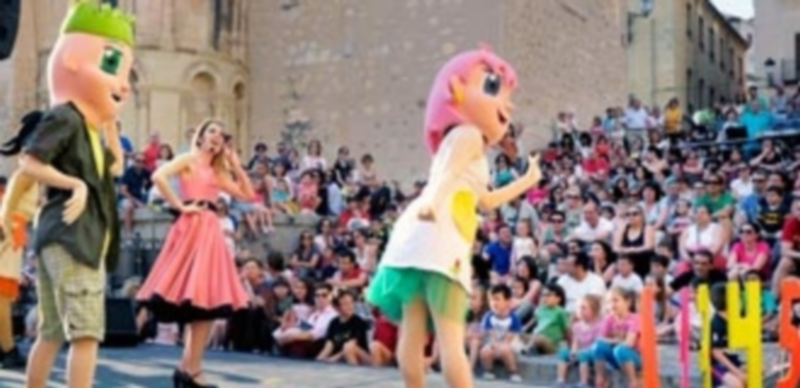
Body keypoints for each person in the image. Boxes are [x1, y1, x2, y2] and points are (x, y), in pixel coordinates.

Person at [366, 47, 541, 388]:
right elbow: (445, 177)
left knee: (414, 331)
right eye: (493, 87)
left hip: (424, 233)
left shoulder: (465, 142)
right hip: (440, 234)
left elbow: (486, 201)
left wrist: (527, 180)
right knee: (449, 339)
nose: (507, 104)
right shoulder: (469, 135)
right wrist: (432, 202)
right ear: (457, 91)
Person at [6, 2, 133, 387]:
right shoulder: (65, 117)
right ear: (74, 60)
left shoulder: (88, 128)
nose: (124, 84)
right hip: (72, 238)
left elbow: (115, 168)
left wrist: (110, 124)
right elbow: (29, 162)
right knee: (86, 333)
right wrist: (73, 184)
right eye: (113, 66)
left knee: (52, 331)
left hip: (68, 238)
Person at [136, 119, 256, 388]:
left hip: (209, 230)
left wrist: (235, 164)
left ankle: (188, 368)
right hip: (191, 226)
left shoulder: (217, 172)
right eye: (211, 131)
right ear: (200, 136)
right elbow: (158, 176)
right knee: (194, 299)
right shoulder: (188, 159)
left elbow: (248, 195)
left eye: (221, 135)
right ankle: (191, 369)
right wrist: (180, 205)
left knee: (204, 301)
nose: (216, 137)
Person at [0, 112, 45, 369]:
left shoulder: (29, 163)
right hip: (9, 230)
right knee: (2, 297)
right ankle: (7, 349)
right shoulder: (30, 165)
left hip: (12, 229)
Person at [592, 287, 642, 388]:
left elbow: (629, 343)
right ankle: (601, 378)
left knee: (620, 350)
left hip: (634, 358)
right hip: (616, 357)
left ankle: (633, 382)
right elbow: (599, 339)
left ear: (627, 302)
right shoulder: (610, 319)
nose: (612, 305)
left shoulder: (635, 319)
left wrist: (611, 341)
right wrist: (616, 340)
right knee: (598, 347)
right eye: (609, 302)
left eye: (615, 300)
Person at [556, 294, 603, 388]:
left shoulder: (599, 326)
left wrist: (581, 352)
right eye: (579, 308)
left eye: (584, 308)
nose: (580, 310)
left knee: (583, 355)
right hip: (580, 352)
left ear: (594, 310)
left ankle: (583, 382)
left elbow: (597, 344)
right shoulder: (577, 326)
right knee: (563, 353)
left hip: (592, 353)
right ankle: (561, 379)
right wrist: (573, 352)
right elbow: (576, 342)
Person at [478, 284, 524, 382]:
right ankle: (489, 371)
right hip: (494, 341)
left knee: (505, 349)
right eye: (491, 299)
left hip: (511, 342)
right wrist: (494, 345)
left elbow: (511, 335)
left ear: (507, 302)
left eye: (497, 299)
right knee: (485, 351)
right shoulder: (489, 316)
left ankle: (513, 372)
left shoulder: (513, 317)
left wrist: (502, 346)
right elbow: (490, 333)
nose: (494, 302)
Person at [709, 283, 747, 388]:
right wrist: (737, 372)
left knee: (758, 373)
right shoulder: (717, 323)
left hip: (734, 362)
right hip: (717, 366)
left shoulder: (734, 320)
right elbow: (717, 353)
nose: (740, 301)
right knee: (737, 384)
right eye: (738, 297)